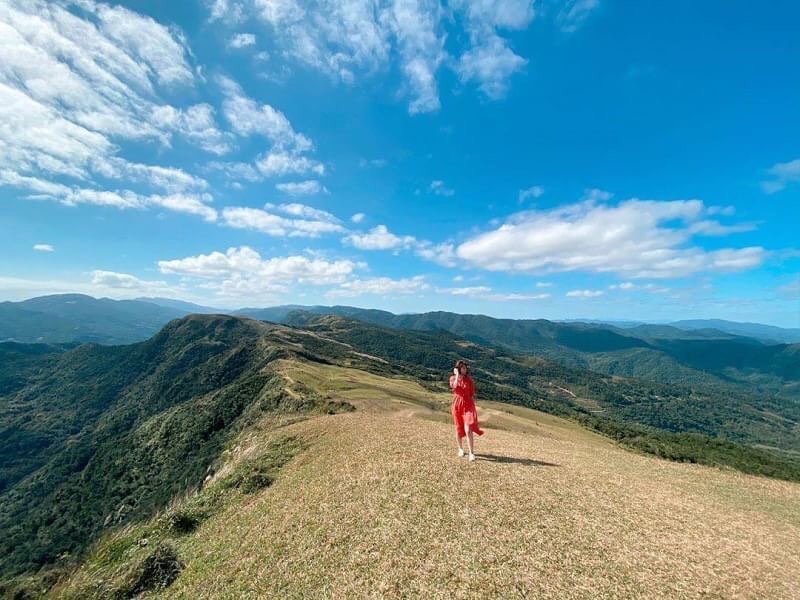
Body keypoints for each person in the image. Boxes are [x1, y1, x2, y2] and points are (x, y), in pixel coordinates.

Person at [449, 359, 484, 462]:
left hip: (468, 405)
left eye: (465, 368)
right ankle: (460, 448)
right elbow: (454, 387)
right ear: (458, 369)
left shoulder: (469, 380)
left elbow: (472, 393)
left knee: (468, 428)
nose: (464, 369)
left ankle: (471, 453)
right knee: (458, 428)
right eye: (462, 368)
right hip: (457, 406)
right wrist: (456, 376)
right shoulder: (452, 378)